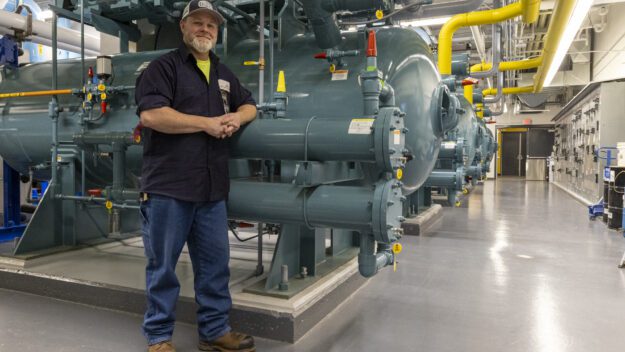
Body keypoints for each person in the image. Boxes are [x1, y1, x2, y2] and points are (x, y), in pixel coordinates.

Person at [134, 0, 257, 351]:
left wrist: (238, 118)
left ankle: (214, 331)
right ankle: (159, 337)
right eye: (198, 23)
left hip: (211, 189)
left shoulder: (222, 71)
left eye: (211, 25)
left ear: (217, 32)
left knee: (216, 267)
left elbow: (249, 103)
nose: (205, 29)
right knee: (163, 268)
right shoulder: (163, 68)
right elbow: (152, 117)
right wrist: (207, 123)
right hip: (169, 186)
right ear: (183, 27)